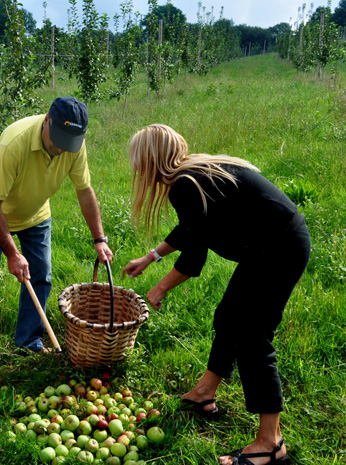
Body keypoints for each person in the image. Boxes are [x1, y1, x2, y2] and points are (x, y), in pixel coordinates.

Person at [122, 124, 310, 465]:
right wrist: (152, 257)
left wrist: (160, 287)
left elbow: (194, 258)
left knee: (254, 337)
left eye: (137, 162)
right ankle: (204, 393)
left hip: (279, 249)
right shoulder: (192, 173)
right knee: (228, 317)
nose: (135, 170)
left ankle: (271, 443)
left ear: (149, 161)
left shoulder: (185, 184)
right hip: (269, 246)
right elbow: (192, 228)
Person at [0, 97, 113, 386]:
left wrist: (99, 239)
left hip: (36, 214)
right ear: (47, 122)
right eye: (58, 141)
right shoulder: (14, 143)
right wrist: (13, 255)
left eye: (69, 143)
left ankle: (28, 342)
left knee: (41, 276)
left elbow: (84, 190)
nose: (61, 149)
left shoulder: (73, 145)